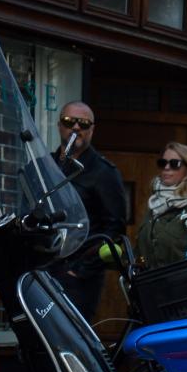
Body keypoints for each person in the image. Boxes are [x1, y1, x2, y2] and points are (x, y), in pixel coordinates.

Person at [51, 101, 128, 320]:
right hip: (42, 269)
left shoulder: (104, 172)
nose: (76, 127)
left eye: (83, 124)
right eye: (69, 121)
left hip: (77, 276)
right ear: (59, 125)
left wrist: (80, 271)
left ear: (92, 130)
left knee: (71, 333)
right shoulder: (46, 165)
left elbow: (115, 229)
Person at [136, 142, 187, 270]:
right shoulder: (155, 207)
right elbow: (140, 255)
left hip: (183, 282)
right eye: (163, 163)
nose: (167, 167)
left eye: (174, 164)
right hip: (149, 282)